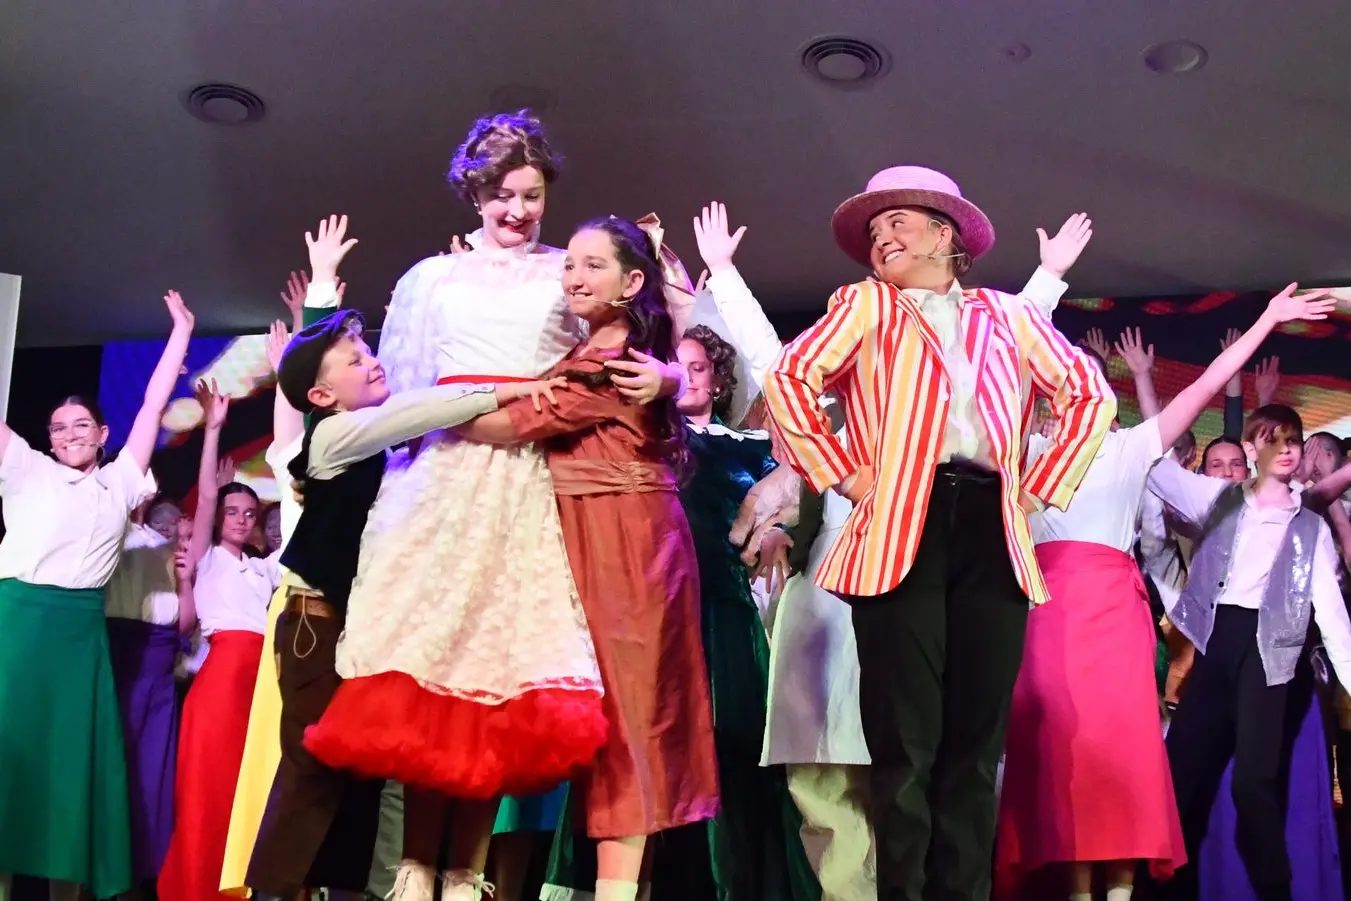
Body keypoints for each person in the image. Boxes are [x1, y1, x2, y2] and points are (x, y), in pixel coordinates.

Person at [300, 113, 691, 901]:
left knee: (496, 666)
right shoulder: (429, 278)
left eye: (531, 194)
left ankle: (469, 870)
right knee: (431, 660)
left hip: (526, 475)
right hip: (443, 472)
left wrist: (676, 379)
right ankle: (413, 867)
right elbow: (403, 384)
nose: (517, 210)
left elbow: (623, 340)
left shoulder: (563, 271)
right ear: (474, 193)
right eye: (502, 195)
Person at [763, 165, 1115, 901]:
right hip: (900, 528)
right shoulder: (863, 306)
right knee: (905, 750)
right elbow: (789, 379)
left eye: (896, 221)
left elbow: (1089, 395)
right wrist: (848, 475)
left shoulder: (1008, 315)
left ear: (943, 233)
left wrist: (1036, 488)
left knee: (973, 751)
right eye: (872, 230)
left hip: (990, 527)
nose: (879, 237)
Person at [245, 215, 565, 899]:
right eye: (356, 362)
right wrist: (502, 386)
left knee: (357, 766)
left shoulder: (385, 449)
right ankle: (273, 890)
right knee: (311, 766)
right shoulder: (335, 437)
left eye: (368, 351)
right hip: (313, 622)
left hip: (357, 624)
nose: (373, 361)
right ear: (324, 396)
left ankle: (340, 887)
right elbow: (415, 409)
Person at [995, 286, 1335, 901]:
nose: (1080, 389)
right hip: (1047, 618)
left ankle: (1127, 892)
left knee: (1121, 764)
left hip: (1118, 624)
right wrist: (1045, 280)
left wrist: (1266, 320)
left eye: (1092, 379)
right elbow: (993, 362)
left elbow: (1207, 383)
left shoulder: (1130, 449)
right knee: (1062, 764)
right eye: (1067, 379)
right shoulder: (1026, 457)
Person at [451, 215, 719, 901]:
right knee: (598, 717)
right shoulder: (590, 346)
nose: (573, 275)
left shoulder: (619, 358)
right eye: (568, 262)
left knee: (629, 719)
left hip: (624, 542)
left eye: (593, 264)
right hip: (589, 532)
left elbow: (508, 425)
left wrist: (423, 401)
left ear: (632, 282)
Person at [0, 291, 195, 901]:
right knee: (10, 757)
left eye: (81, 424)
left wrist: (182, 335)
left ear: (102, 433)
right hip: (18, 622)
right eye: (58, 428)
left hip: (80, 634)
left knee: (70, 771)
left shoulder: (120, 483)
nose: (68, 434)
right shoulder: (26, 468)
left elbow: (154, 404)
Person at [1148, 393, 1351, 901]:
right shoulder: (1220, 500)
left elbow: (1332, 617)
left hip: (1272, 655)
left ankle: (1275, 892)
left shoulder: (1310, 528)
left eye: (1293, 441)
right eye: (1273, 439)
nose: (1285, 449)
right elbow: (1153, 465)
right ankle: (1169, 890)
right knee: (1179, 773)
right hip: (1221, 643)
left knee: (1252, 786)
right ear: (1251, 447)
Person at [159, 379, 282, 901]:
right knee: (208, 789)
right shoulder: (207, 559)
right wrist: (213, 430)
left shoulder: (264, 569)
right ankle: (196, 888)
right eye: (232, 512)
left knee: (247, 788)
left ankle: (241, 885)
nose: (239, 518)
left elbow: (300, 526)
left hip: (263, 685)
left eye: (249, 513)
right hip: (221, 681)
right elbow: (207, 494)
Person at [105, 483, 189, 893]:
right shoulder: (109, 530)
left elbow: (182, 614)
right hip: (121, 646)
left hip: (158, 654)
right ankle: (109, 865)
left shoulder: (162, 546)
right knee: (117, 757)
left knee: (153, 764)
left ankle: (146, 868)